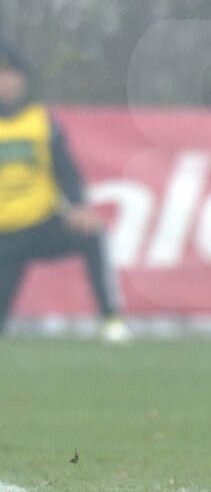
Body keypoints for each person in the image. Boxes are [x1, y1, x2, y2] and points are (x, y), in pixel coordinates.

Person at [0, 42, 130, 344]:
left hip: (39, 224)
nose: (6, 82)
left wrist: (79, 205)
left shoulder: (42, 121)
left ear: (23, 79)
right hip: (3, 238)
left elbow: (65, 170)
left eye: (11, 75)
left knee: (91, 233)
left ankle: (111, 320)